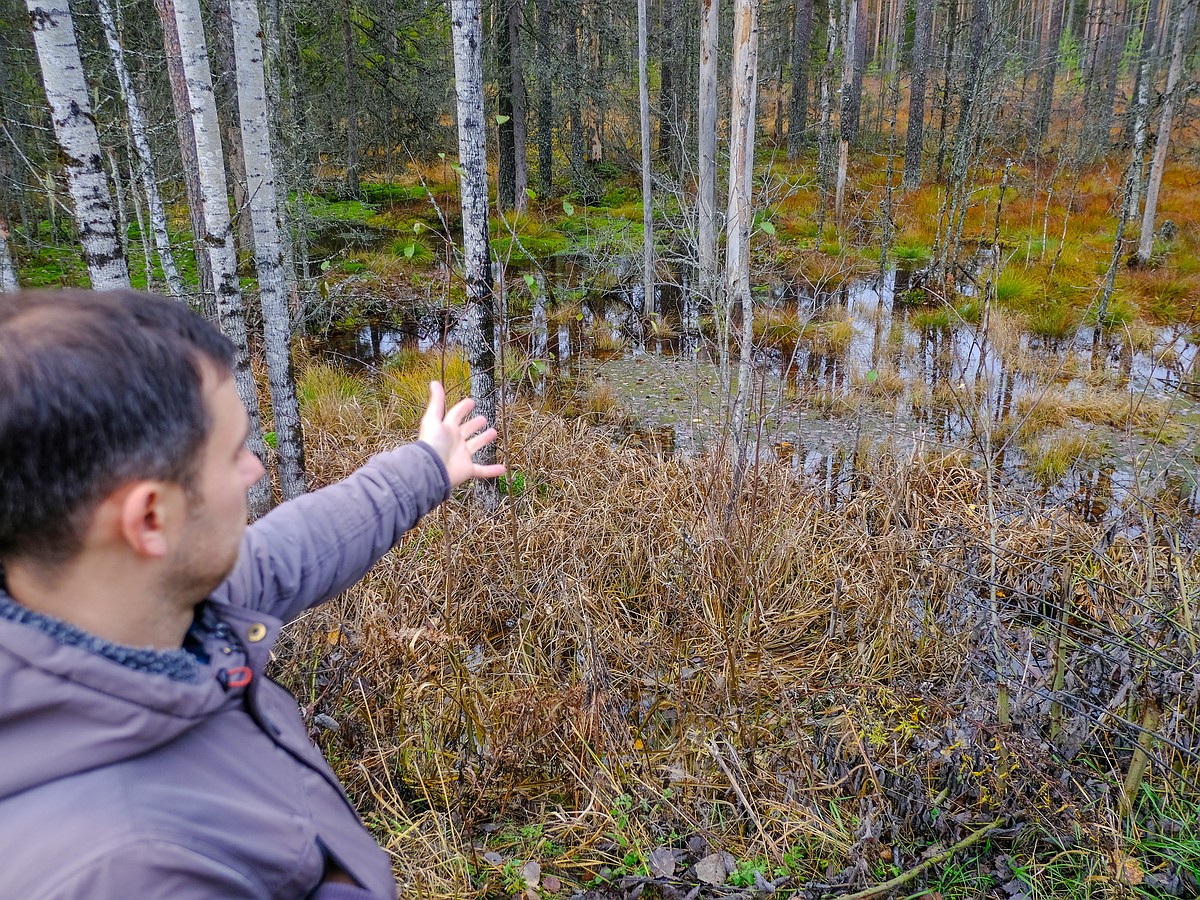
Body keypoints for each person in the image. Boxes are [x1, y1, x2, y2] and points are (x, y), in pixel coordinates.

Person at [0, 288, 504, 899]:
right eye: (234, 451)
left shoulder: (136, 610)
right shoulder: (134, 871)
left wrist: (429, 465)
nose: (255, 470)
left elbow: (293, 548)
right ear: (150, 520)